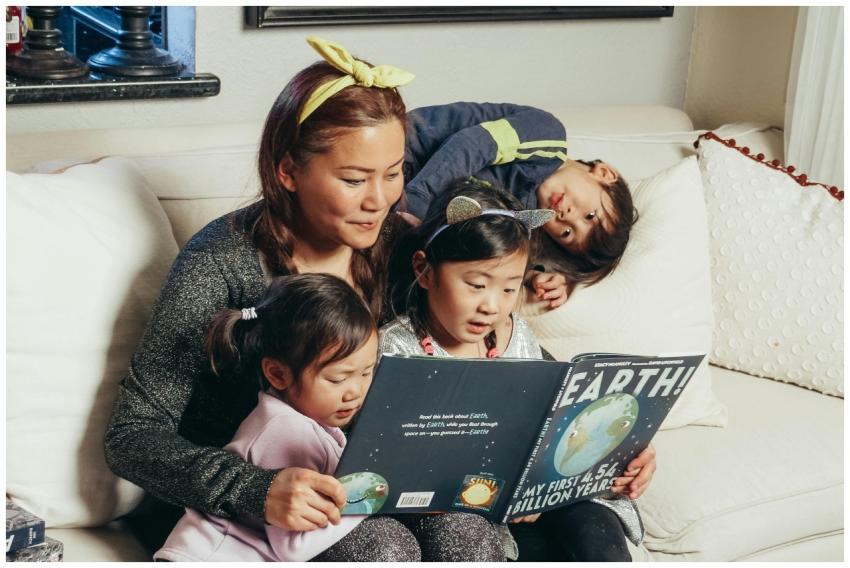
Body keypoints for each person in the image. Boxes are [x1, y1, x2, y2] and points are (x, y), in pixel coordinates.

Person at [104, 35, 419, 555]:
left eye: (393, 173)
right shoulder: (221, 262)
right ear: (288, 170)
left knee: (472, 530)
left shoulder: (400, 246)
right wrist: (257, 490)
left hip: (363, 488)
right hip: (232, 521)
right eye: (354, 179)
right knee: (384, 546)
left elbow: (485, 332)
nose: (380, 199)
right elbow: (132, 436)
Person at [382, 178, 653, 561]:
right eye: (476, 285)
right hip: (464, 520)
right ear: (425, 272)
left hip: (534, 509)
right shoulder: (395, 350)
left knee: (592, 520)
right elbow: (385, 467)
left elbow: (568, 425)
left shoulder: (516, 336)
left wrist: (626, 454)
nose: (492, 306)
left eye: (509, 289)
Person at [155, 274, 420, 561]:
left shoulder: (310, 419)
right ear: (278, 374)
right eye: (337, 378)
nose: (354, 392)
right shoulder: (283, 431)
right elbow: (293, 547)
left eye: (367, 373)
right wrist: (369, 496)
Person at [402, 102, 639, 308]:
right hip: (407, 149)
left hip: (400, 197)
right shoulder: (547, 135)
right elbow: (473, 145)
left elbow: (493, 252)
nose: (567, 217)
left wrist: (534, 276)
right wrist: (416, 204)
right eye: (589, 215)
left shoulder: (526, 219)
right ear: (604, 173)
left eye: (567, 234)